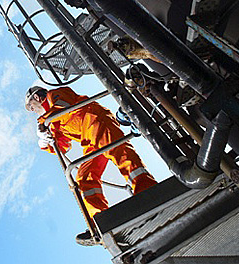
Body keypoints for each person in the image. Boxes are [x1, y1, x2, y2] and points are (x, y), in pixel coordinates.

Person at [25, 85, 157, 245]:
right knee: (84, 177)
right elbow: (63, 146)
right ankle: (102, 221)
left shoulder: (55, 95)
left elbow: (65, 107)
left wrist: (44, 122)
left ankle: (148, 191)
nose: (32, 110)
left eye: (31, 106)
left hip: (97, 121)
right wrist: (46, 142)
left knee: (121, 155)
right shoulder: (53, 123)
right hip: (89, 140)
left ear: (38, 98)